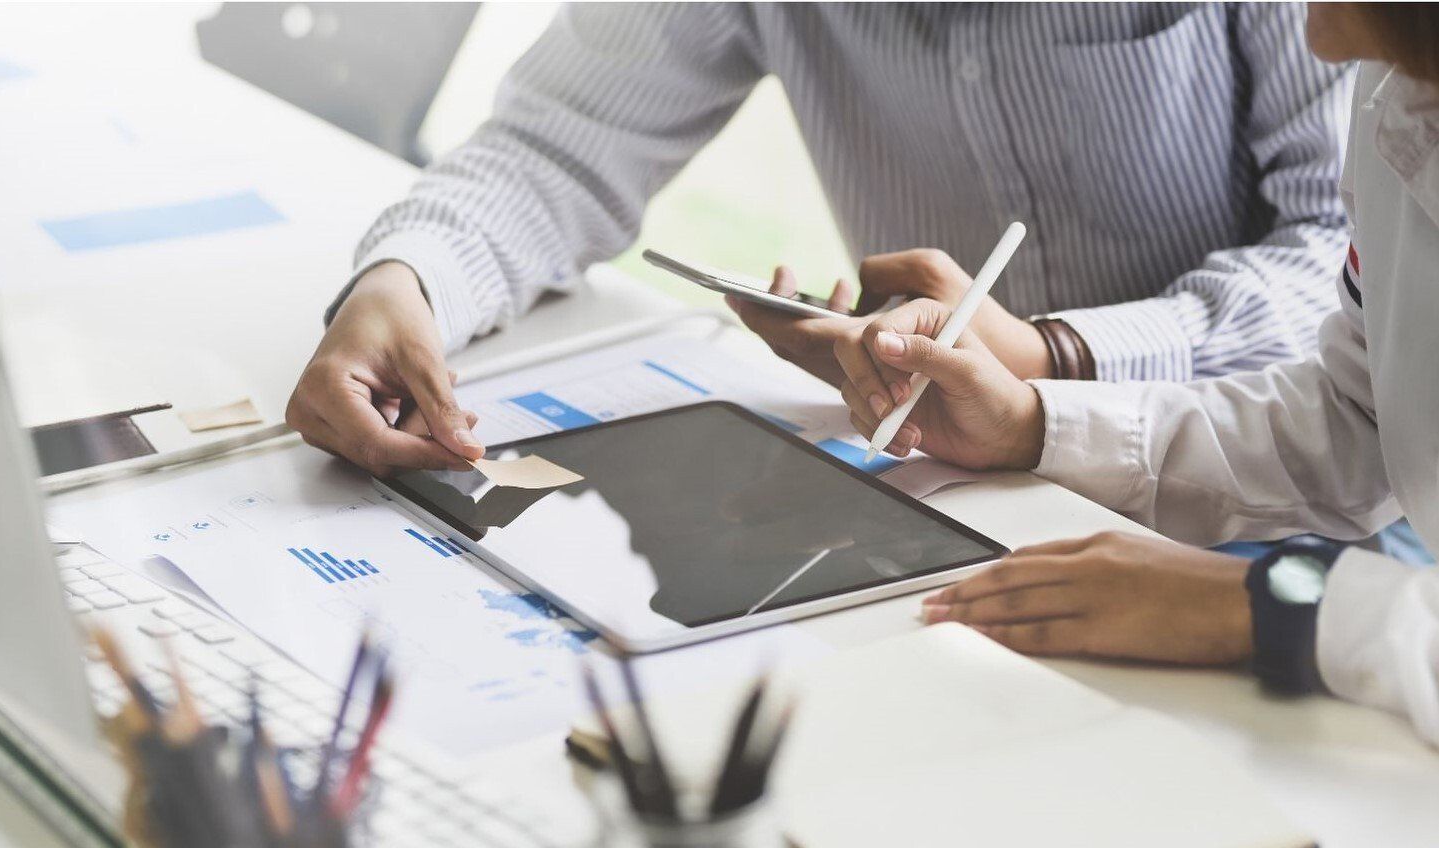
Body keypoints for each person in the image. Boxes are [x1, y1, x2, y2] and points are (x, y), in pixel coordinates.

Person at [286, 5, 1352, 475]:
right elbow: (557, 145)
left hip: (1274, 489)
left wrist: (1058, 358)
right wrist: (403, 284)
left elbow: (1355, 257)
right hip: (963, 486)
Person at [818, 4, 1439, 745]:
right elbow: (1359, 418)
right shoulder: (1397, 86)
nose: (1316, 40)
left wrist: (1264, 604)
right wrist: (1033, 425)